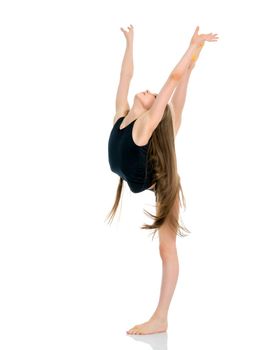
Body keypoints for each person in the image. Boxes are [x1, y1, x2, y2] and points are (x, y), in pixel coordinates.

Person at [106, 24, 219, 335]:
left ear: (150, 111)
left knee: (167, 249)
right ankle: (194, 62)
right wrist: (130, 41)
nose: (149, 92)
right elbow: (125, 76)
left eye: (153, 97)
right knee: (175, 117)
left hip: (161, 180)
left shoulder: (143, 129)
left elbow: (172, 81)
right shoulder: (121, 115)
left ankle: (161, 317)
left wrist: (190, 48)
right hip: (148, 159)